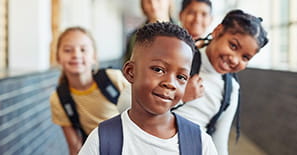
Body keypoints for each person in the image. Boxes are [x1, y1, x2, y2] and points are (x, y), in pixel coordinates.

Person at [79, 22, 217, 155]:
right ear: (130, 71)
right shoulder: (103, 141)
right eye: (158, 69)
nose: (170, 83)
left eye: (181, 77)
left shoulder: (200, 143)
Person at [173, 9, 269, 155]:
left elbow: (219, 140)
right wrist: (180, 97)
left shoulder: (230, 90)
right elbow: (137, 105)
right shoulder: (181, 58)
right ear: (218, 31)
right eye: (233, 46)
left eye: (245, 57)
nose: (234, 59)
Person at [49, 27, 128, 155]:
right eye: (68, 50)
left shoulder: (113, 79)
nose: (76, 55)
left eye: (83, 50)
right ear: (58, 57)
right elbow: (75, 146)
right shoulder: (59, 98)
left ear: (94, 57)